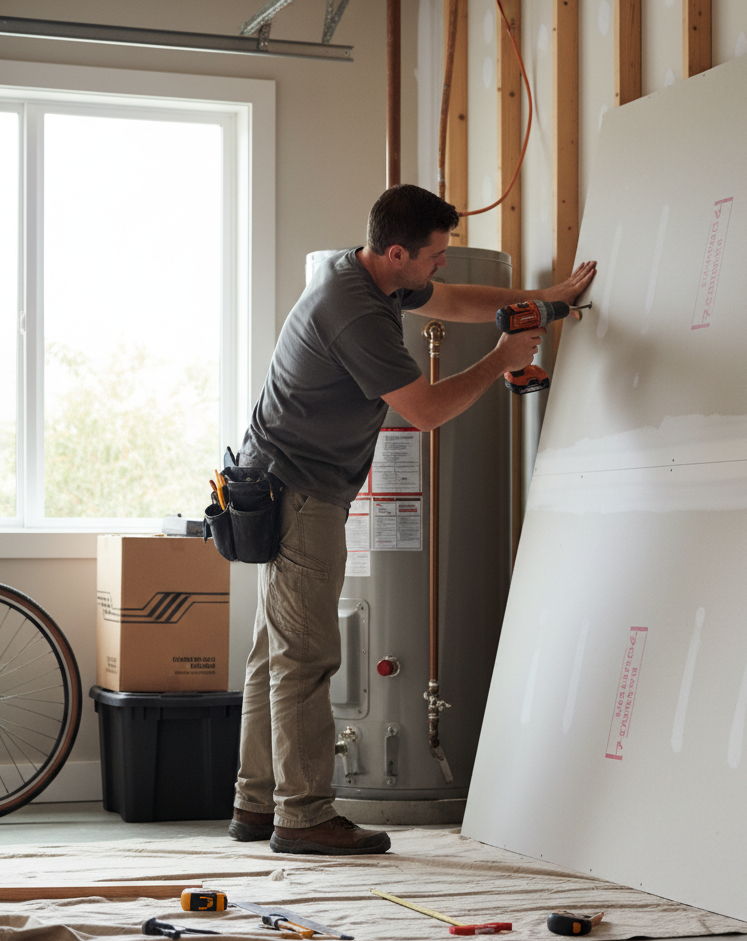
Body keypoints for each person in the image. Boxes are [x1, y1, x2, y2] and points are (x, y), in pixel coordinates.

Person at [229, 183, 596, 855]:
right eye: (434, 257)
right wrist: (501, 361)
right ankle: (304, 815)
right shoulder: (354, 312)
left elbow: (455, 302)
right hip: (299, 492)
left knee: (273, 656)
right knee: (306, 659)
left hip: (285, 481)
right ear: (398, 252)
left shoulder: (369, 273)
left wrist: (546, 302)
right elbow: (424, 412)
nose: (442, 268)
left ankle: (257, 805)